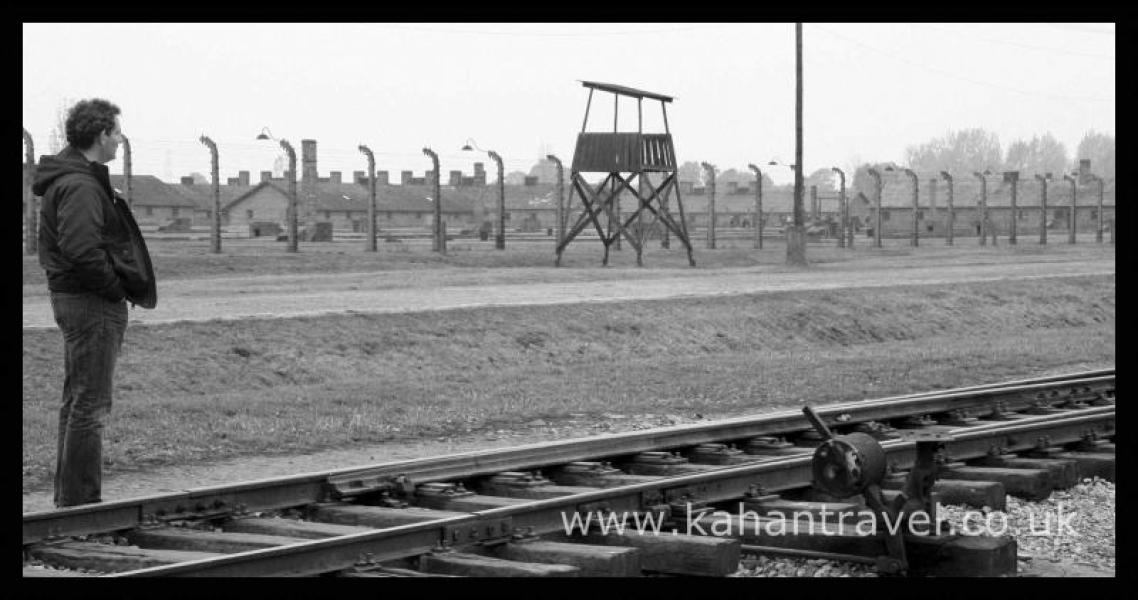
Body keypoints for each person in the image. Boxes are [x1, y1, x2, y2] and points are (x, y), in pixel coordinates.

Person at [33, 98, 156, 508]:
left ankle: (70, 502)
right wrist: (112, 288)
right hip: (89, 302)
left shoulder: (72, 179)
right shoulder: (81, 185)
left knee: (78, 399)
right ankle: (81, 507)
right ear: (101, 135)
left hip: (76, 299)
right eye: (117, 133)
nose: (120, 140)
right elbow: (81, 249)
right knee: (90, 404)